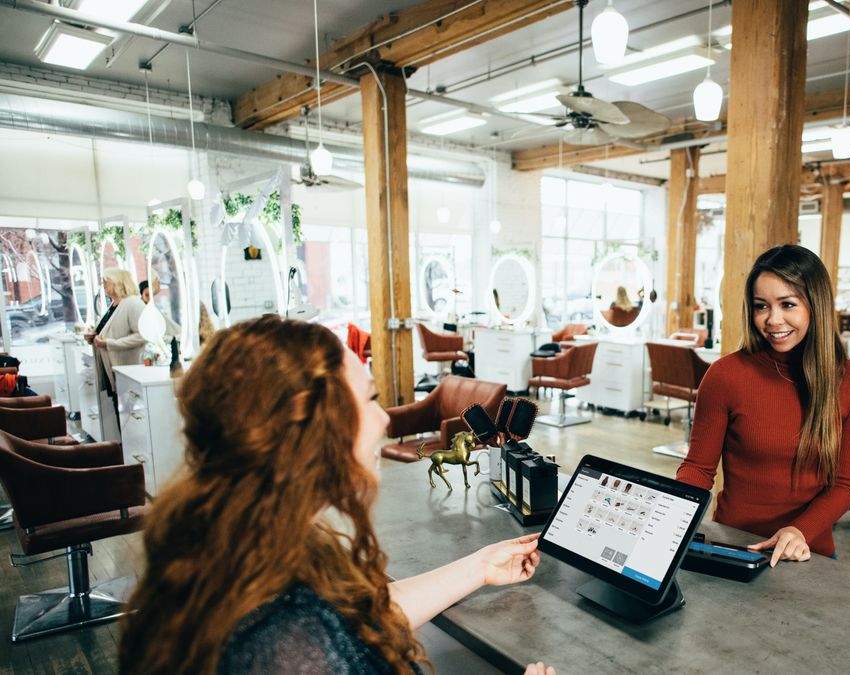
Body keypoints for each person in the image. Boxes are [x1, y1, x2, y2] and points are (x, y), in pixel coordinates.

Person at [119, 316, 554, 675]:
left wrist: (478, 567)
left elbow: (358, 617)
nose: (384, 419)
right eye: (369, 399)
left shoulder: (237, 545)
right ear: (315, 431)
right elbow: (325, 633)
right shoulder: (289, 643)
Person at [677, 245, 850, 565]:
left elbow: (844, 485)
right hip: (734, 546)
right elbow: (698, 469)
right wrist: (669, 517)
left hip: (808, 552)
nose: (772, 319)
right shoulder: (726, 375)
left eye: (787, 304)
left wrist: (799, 531)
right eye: (761, 306)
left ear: (816, 306)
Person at [92, 268, 145, 399]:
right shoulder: (114, 304)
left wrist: (110, 343)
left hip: (126, 367)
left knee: (125, 409)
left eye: (106, 281)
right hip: (111, 365)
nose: (103, 285)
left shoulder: (133, 303)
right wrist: (93, 336)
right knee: (117, 406)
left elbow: (142, 335)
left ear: (118, 282)